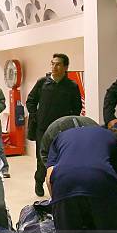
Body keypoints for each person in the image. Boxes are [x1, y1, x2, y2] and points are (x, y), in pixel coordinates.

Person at [46, 126, 117, 233]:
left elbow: (49, 178)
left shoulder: (59, 137)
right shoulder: (110, 137)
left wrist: (58, 203)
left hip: (65, 182)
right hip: (100, 179)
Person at [26, 54, 82, 197]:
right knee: (42, 158)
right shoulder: (42, 83)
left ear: (65, 67)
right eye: (52, 63)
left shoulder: (71, 86)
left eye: (58, 64)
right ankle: (39, 180)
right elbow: (30, 101)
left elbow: (76, 108)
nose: (54, 67)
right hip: (43, 129)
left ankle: (59, 184)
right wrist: (35, 116)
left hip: (62, 129)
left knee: (62, 158)